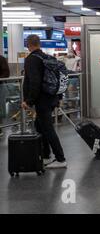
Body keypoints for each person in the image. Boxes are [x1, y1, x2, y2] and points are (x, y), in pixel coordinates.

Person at [22, 35, 67, 168]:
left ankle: (60, 159)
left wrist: (28, 101)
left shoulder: (31, 59)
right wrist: (59, 98)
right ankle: (46, 155)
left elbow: (34, 82)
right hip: (51, 97)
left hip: (42, 100)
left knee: (47, 129)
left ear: (28, 44)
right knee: (40, 126)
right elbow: (58, 78)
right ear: (39, 43)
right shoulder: (48, 57)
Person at [0, 54, 10, 137]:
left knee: (0, 108)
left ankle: (0, 128)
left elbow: (6, 73)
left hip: (0, 86)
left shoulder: (1, 59)